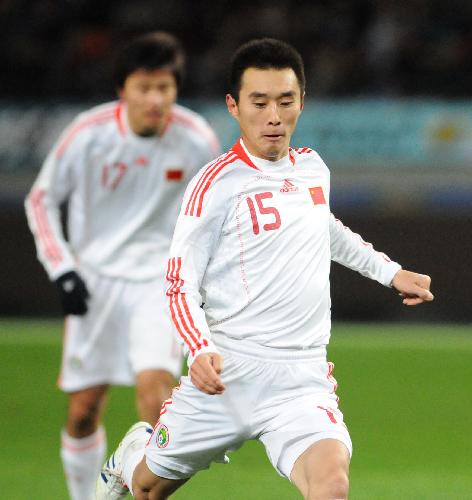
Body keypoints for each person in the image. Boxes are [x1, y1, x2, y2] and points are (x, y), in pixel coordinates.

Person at [96, 38, 433, 500]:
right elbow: (178, 281)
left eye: (285, 101)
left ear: (301, 102)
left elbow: (325, 228)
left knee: (331, 487)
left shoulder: (313, 169)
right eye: (259, 102)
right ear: (234, 106)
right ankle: (133, 454)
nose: (273, 115)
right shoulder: (215, 185)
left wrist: (390, 272)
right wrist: (198, 350)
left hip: (301, 378)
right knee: (147, 490)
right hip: (225, 374)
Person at [24, 31, 219, 500]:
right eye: (144, 88)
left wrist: (207, 285)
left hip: (158, 284)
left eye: (165, 89)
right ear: (122, 89)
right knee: (84, 410)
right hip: (95, 283)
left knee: (158, 401)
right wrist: (62, 269)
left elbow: (216, 216)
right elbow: (41, 200)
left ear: (176, 89)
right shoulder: (88, 135)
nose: (155, 99)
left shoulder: (196, 140)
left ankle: (137, 484)